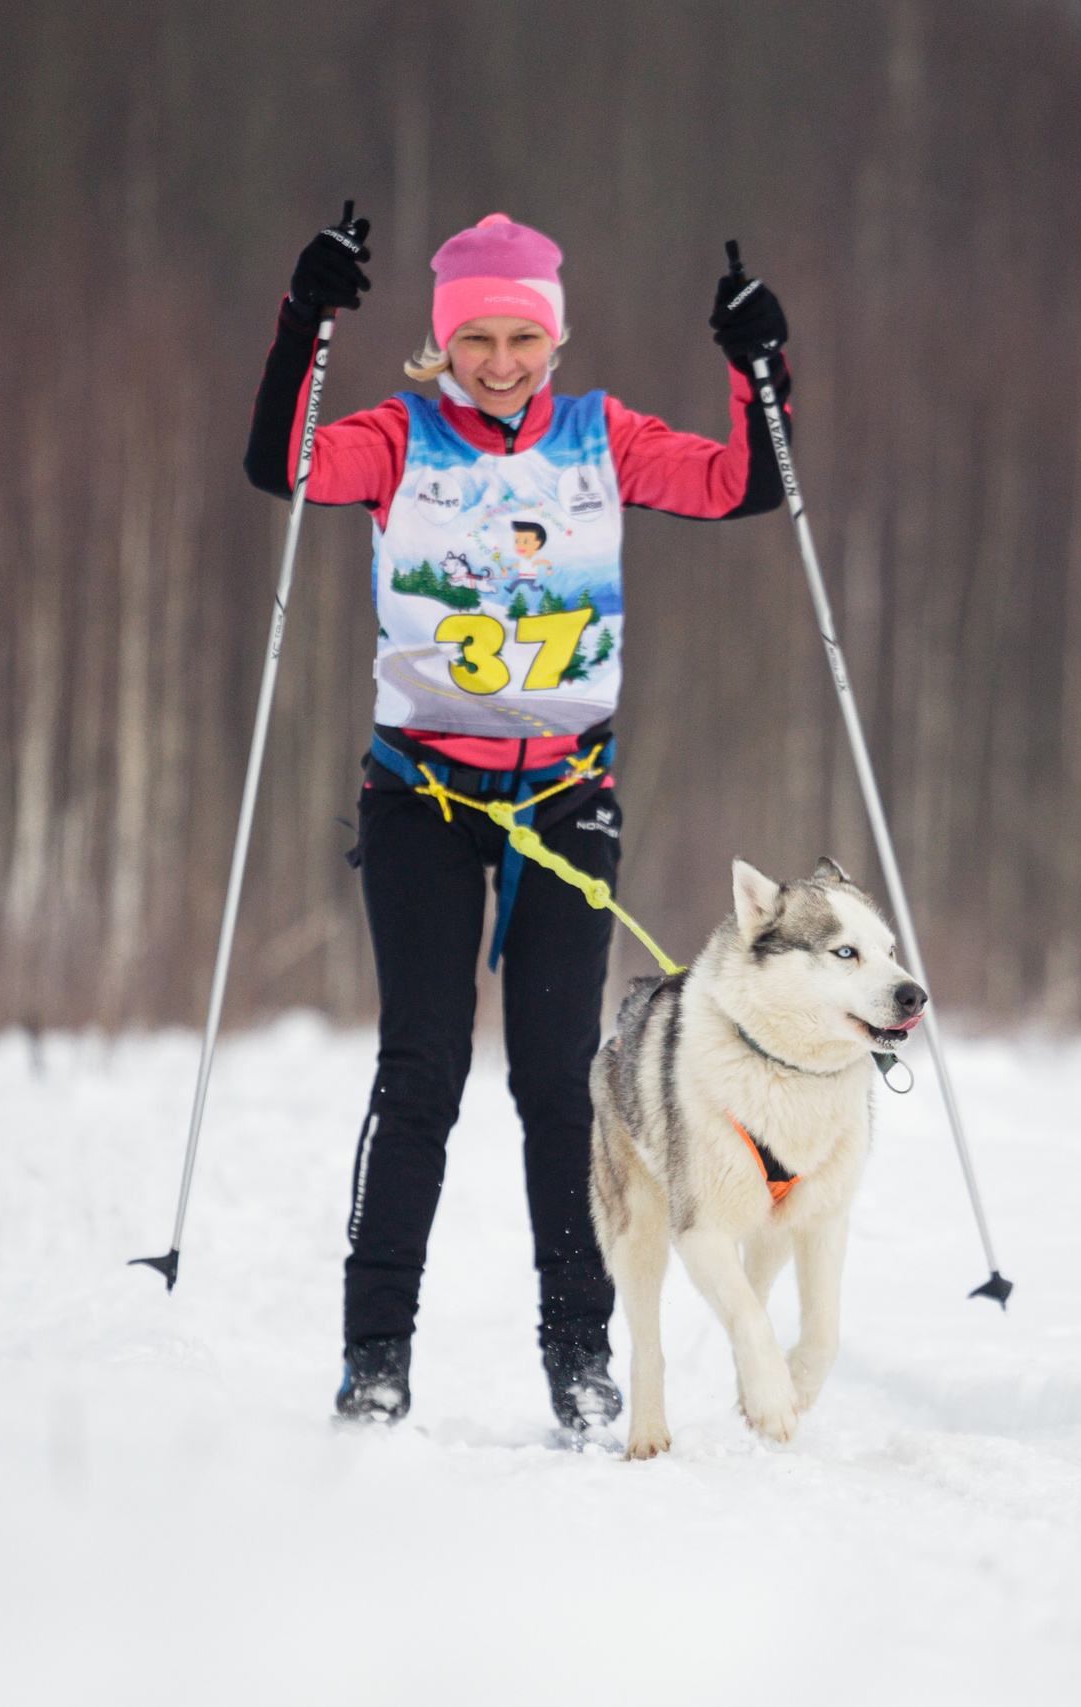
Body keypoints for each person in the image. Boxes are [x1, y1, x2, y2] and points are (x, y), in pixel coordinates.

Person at [242, 207, 791, 1431]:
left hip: (562, 796)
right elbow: (281, 466)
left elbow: (746, 485)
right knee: (421, 1070)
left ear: (556, 337)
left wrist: (756, 365)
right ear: (443, 342)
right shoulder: (398, 438)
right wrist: (304, 321)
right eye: (477, 339)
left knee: (560, 1083)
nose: (499, 361)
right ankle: (375, 1356)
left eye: (522, 338)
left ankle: (580, 1358)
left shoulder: (603, 440)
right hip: (422, 794)